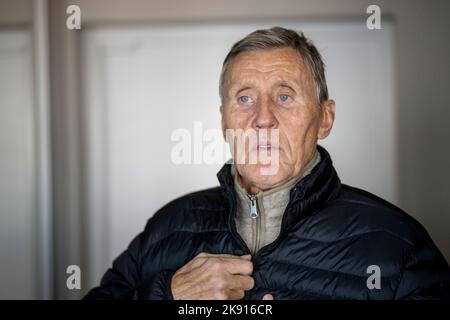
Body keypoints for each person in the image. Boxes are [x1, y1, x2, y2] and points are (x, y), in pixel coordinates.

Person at [84, 27, 450, 300]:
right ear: (225, 122)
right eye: (245, 98)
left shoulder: (399, 245)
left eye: (285, 96)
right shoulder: (166, 228)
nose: (263, 118)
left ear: (325, 118)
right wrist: (169, 296)